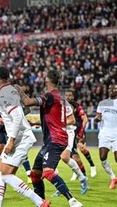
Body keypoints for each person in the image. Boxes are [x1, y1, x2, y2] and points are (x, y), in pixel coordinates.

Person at [19, 70, 83, 207]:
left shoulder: (49, 96)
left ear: (47, 80)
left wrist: (19, 90)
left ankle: (73, 201)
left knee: (48, 172)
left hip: (56, 139)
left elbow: (29, 102)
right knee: (35, 174)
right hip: (51, 140)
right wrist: (37, 123)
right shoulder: (59, 98)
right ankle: (42, 203)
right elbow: (56, 119)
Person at [0, 67, 49, 207]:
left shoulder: (4, 93)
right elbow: (22, 111)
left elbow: (17, 116)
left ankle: (40, 202)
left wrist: (10, 141)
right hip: (18, 137)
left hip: (20, 138)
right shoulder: (10, 90)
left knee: (6, 175)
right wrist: (4, 120)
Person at [52, 100, 88, 197]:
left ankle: (82, 179)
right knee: (51, 162)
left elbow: (72, 120)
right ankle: (60, 186)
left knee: (64, 157)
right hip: (55, 134)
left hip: (68, 133)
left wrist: (58, 124)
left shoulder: (63, 104)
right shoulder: (49, 106)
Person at [65, 89, 97, 179]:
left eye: (70, 95)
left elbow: (85, 119)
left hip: (79, 131)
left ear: (73, 96)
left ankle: (92, 165)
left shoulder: (77, 107)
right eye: (66, 95)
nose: (68, 97)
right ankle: (76, 172)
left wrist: (81, 132)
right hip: (70, 133)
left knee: (82, 148)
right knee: (73, 156)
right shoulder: (63, 107)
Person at [95, 84, 117, 189]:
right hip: (104, 133)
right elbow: (98, 117)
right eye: (110, 88)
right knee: (102, 157)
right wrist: (97, 119)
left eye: (114, 89)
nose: (112, 90)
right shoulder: (102, 103)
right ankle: (113, 177)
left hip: (116, 134)